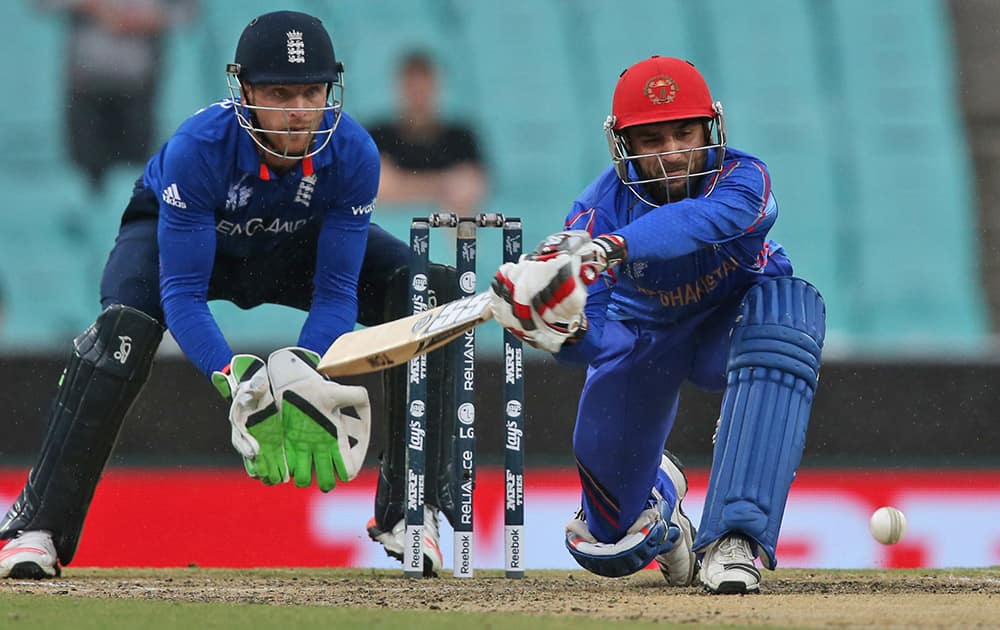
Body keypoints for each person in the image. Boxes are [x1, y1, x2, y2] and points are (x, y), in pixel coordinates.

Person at [0, 10, 457, 580]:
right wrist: (234, 375)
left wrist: (303, 366)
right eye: (278, 92)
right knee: (121, 331)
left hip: (296, 246)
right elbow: (183, 293)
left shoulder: (352, 153)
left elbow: (336, 287)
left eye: (311, 91)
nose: (297, 111)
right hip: (190, 248)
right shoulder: (200, 148)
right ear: (243, 90)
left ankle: (411, 512)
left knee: (427, 289)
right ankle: (34, 527)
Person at [490, 56, 826, 594]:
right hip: (647, 338)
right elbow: (594, 345)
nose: (672, 153)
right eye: (652, 139)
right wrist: (557, 331)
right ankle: (666, 516)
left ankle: (735, 539)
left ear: (710, 128)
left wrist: (612, 248)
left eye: (685, 132)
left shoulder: (744, 178)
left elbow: (697, 222)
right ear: (623, 145)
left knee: (789, 316)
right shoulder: (594, 215)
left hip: (733, 320)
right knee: (608, 544)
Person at [37, 0, 198, 191]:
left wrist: (150, 17)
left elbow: (188, 12)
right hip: (87, 86)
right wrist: (92, 5)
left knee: (135, 176)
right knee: (83, 175)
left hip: (137, 86)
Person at [367, 50, 488, 216]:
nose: (418, 96)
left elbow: (473, 187)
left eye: (423, 88)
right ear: (399, 89)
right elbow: (376, 188)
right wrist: (444, 186)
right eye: (412, 87)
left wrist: (401, 186)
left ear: (436, 88)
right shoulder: (377, 135)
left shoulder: (460, 137)